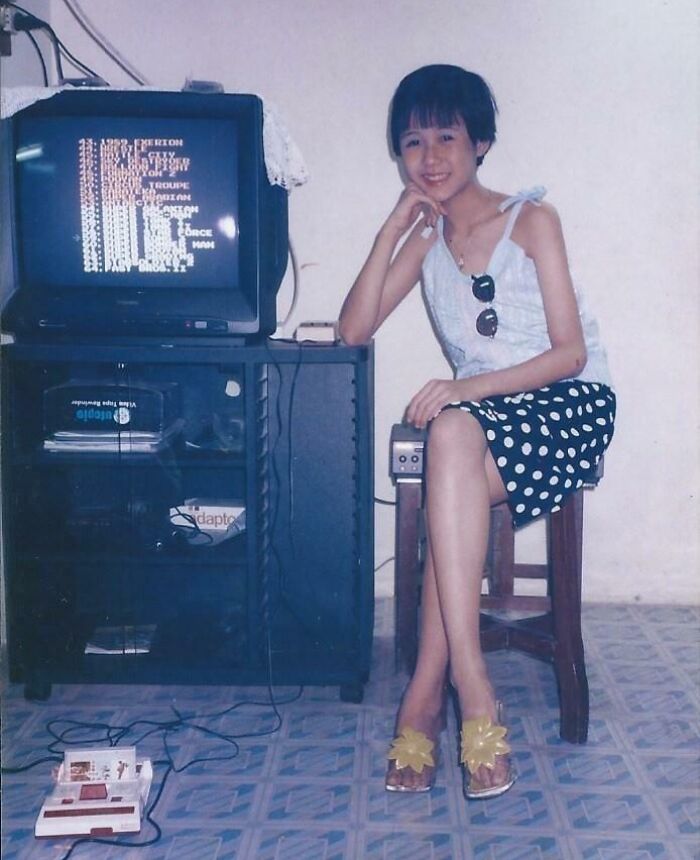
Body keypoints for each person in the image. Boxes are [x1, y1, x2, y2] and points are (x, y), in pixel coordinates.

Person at [338, 64, 616, 799]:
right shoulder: (426, 242)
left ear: (481, 140)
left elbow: (569, 353)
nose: (429, 156)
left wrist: (465, 387)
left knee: (453, 436)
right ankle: (462, 687)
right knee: (454, 451)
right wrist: (392, 229)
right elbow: (353, 329)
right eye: (411, 141)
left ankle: (432, 697)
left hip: (567, 405)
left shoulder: (531, 221)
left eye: (447, 136)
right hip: (479, 426)